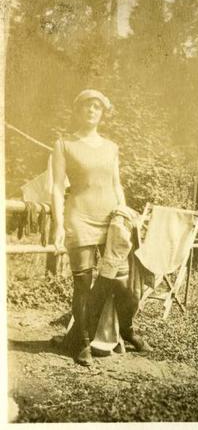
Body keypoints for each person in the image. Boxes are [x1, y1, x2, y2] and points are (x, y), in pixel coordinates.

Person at [51, 89, 146, 366]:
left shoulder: (112, 147)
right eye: (86, 106)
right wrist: (58, 225)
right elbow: (57, 187)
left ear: (103, 113)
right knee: (83, 283)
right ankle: (81, 343)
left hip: (111, 219)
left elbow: (117, 184)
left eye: (97, 107)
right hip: (79, 217)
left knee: (122, 284)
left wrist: (125, 214)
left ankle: (126, 331)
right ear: (77, 110)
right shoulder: (64, 144)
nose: (92, 110)